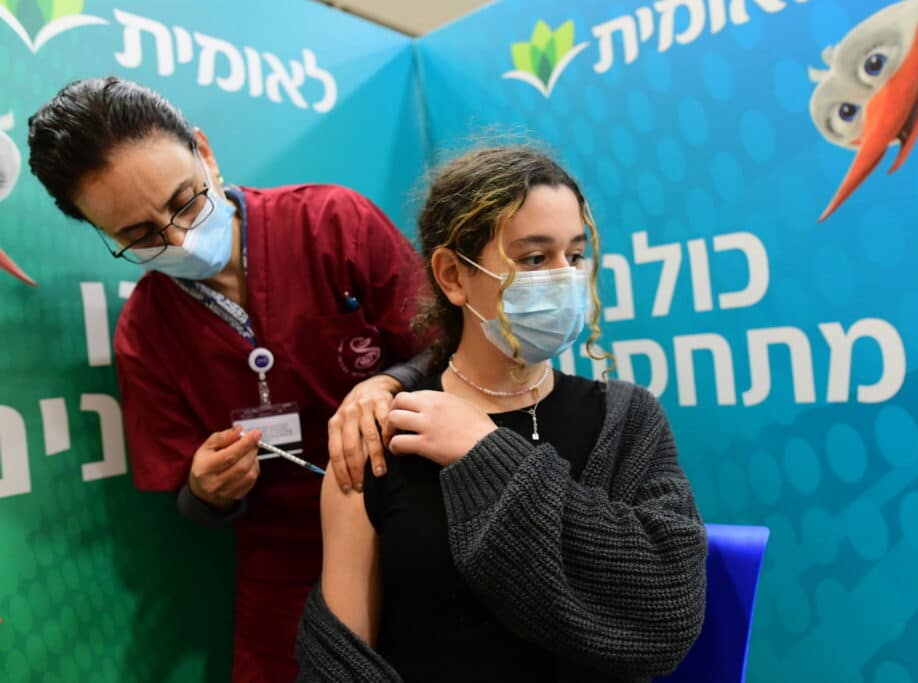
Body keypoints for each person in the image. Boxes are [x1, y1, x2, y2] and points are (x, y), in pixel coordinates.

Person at [26, 76, 427, 681]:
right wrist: (210, 489)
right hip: (287, 560)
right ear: (100, 230)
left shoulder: (332, 223)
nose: (178, 237)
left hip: (416, 513)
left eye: (185, 201)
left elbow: (449, 351)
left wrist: (389, 381)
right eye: (137, 235)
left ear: (205, 152)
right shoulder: (147, 331)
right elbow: (189, 500)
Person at [296, 146, 708, 681]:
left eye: (576, 256)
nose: (565, 277)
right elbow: (341, 665)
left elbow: (668, 609)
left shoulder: (627, 421)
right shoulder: (378, 438)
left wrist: (487, 452)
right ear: (452, 276)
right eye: (534, 259)